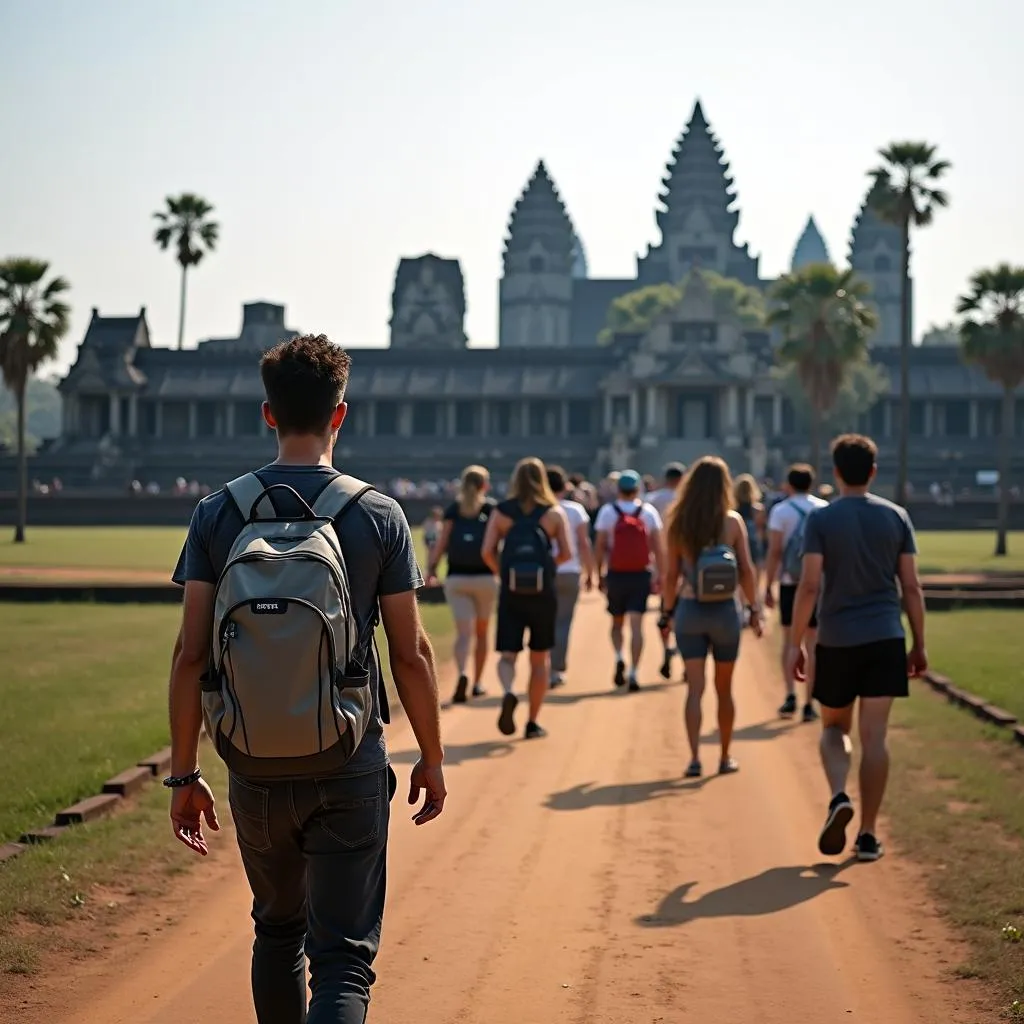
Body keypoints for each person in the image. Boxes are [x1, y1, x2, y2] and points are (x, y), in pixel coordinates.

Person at [167, 334, 446, 1024]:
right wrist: (432, 759)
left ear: (267, 414)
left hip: (254, 761)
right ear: (341, 414)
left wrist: (182, 774)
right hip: (349, 757)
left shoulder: (217, 511)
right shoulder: (378, 513)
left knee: (276, 931)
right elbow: (410, 654)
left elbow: (190, 656)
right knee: (343, 958)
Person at [788, 434, 927, 863]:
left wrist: (796, 645)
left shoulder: (822, 520)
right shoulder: (896, 517)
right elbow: (910, 586)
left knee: (834, 729)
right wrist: (919, 642)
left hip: (836, 637)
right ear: (872, 472)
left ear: (835, 472)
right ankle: (867, 834)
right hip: (886, 634)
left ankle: (837, 797)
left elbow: (810, 584)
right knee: (875, 737)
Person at [660, 457, 763, 777]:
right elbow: (746, 569)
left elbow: (670, 576)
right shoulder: (732, 522)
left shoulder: (679, 523)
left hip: (690, 609)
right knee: (724, 689)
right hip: (724, 612)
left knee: (694, 688)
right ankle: (724, 756)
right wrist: (755, 608)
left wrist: (667, 611)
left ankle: (693, 758)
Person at [481, 457, 571, 739]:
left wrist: (504, 573)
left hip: (512, 591)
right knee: (539, 658)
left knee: (508, 655)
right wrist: (547, 568)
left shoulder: (502, 512)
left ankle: (509, 691)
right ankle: (532, 721)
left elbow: (486, 551)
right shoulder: (554, 513)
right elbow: (567, 553)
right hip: (543, 593)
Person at [425, 465, 497, 704]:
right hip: (486, 577)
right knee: (482, 632)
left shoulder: (454, 510)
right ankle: (477, 682)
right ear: (484, 486)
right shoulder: (490, 509)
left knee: (464, 634)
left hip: (457, 578)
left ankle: (463, 673)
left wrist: (431, 569)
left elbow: (441, 543)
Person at [763, 464, 828, 721]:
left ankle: (790, 694)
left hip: (791, 582)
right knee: (813, 644)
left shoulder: (781, 511)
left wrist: (768, 583)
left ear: (789, 484)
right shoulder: (824, 509)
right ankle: (810, 702)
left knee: (791, 640)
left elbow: (775, 551)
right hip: (818, 582)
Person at [593, 469, 664, 692]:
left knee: (616, 622)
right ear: (637, 489)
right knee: (637, 626)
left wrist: (598, 572)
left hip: (616, 573)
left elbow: (600, 545)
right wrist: (660, 574)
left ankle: (618, 656)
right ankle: (634, 671)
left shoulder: (607, 512)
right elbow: (658, 547)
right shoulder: (648, 512)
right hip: (640, 573)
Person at [546, 464, 596, 688]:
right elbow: (584, 544)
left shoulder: (539, 509)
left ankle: (541, 666)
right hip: (569, 571)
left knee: (544, 621)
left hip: (544, 571)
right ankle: (556, 669)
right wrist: (590, 573)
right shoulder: (575, 510)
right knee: (563, 623)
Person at [646, 462, 686, 679]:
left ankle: (666, 648)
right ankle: (687, 655)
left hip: (662, 563)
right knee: (686, 612)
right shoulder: (689, 500)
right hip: (687, 564)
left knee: (666, 611)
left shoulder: (653, 500)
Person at [733, 474, 767, 586]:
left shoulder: (733, 509)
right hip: (754, 542)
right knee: (755, 572)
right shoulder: (758, 509)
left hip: (736, 542)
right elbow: (760, 529)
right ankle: (753, 596)